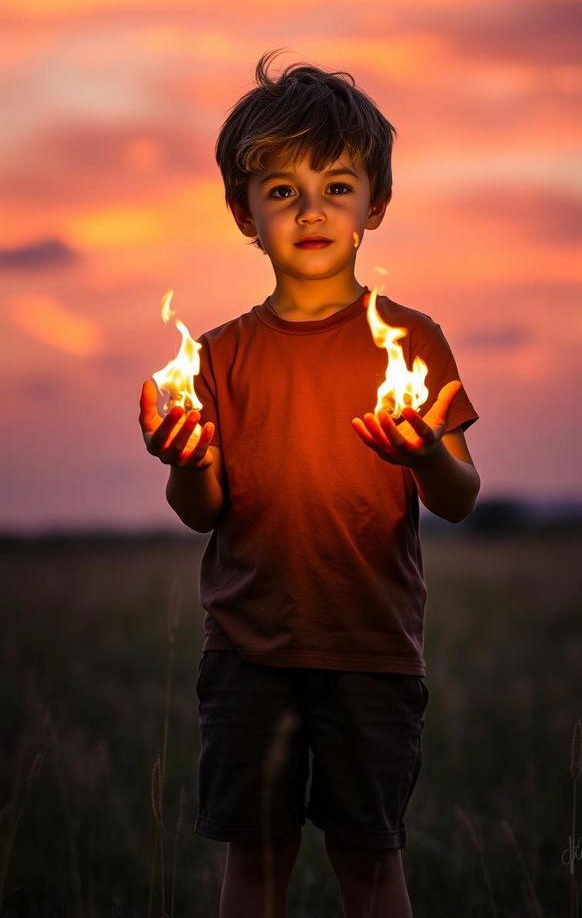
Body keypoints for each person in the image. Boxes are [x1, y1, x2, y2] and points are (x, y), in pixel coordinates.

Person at [139, 50, 480, 918]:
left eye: (336, 184)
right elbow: (201, 511)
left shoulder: (415, 340)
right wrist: (186, 459)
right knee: (254, 867)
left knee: (370, 866)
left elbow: (460, 496)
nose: (312, 210)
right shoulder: (216, 355)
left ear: (377, 203)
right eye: (283, 190)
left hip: (371, 649)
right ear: (244, 214)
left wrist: (425, 456)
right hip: (248, 652)